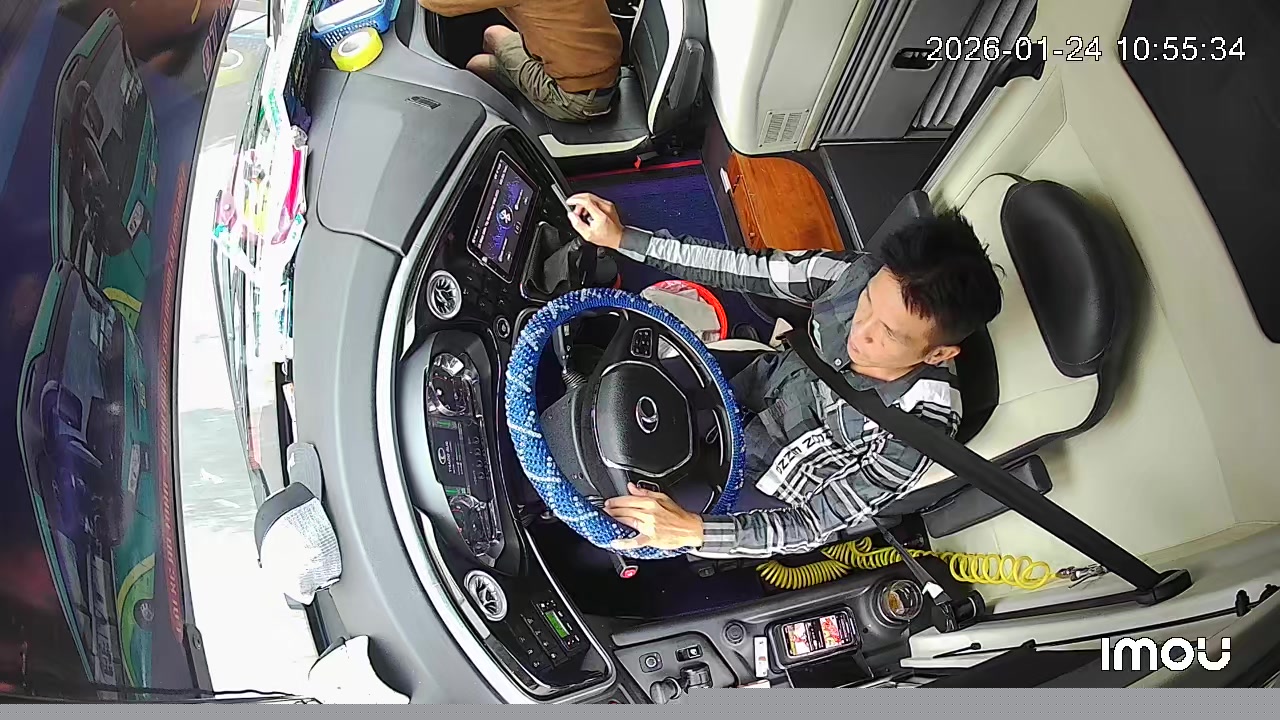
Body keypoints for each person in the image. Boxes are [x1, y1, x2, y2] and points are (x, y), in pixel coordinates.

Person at [564, 192, 1004, 558]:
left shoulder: (919, 430)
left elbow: (814, 523)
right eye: (868, 302)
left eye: (887, 334)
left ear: (939, 353)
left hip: (770, 480)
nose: (859, 331)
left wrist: (696, 531)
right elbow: (742, 267)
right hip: (754, 381)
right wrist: (624, 238)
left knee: (620, 525)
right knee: (611, 398)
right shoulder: (855, 275)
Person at [418, 0, 622, 122]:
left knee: (476, 65)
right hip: (602, 72)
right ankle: (522, 89)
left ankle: (510, 123)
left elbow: (436, 3)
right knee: (493, 34)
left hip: (577, 99)